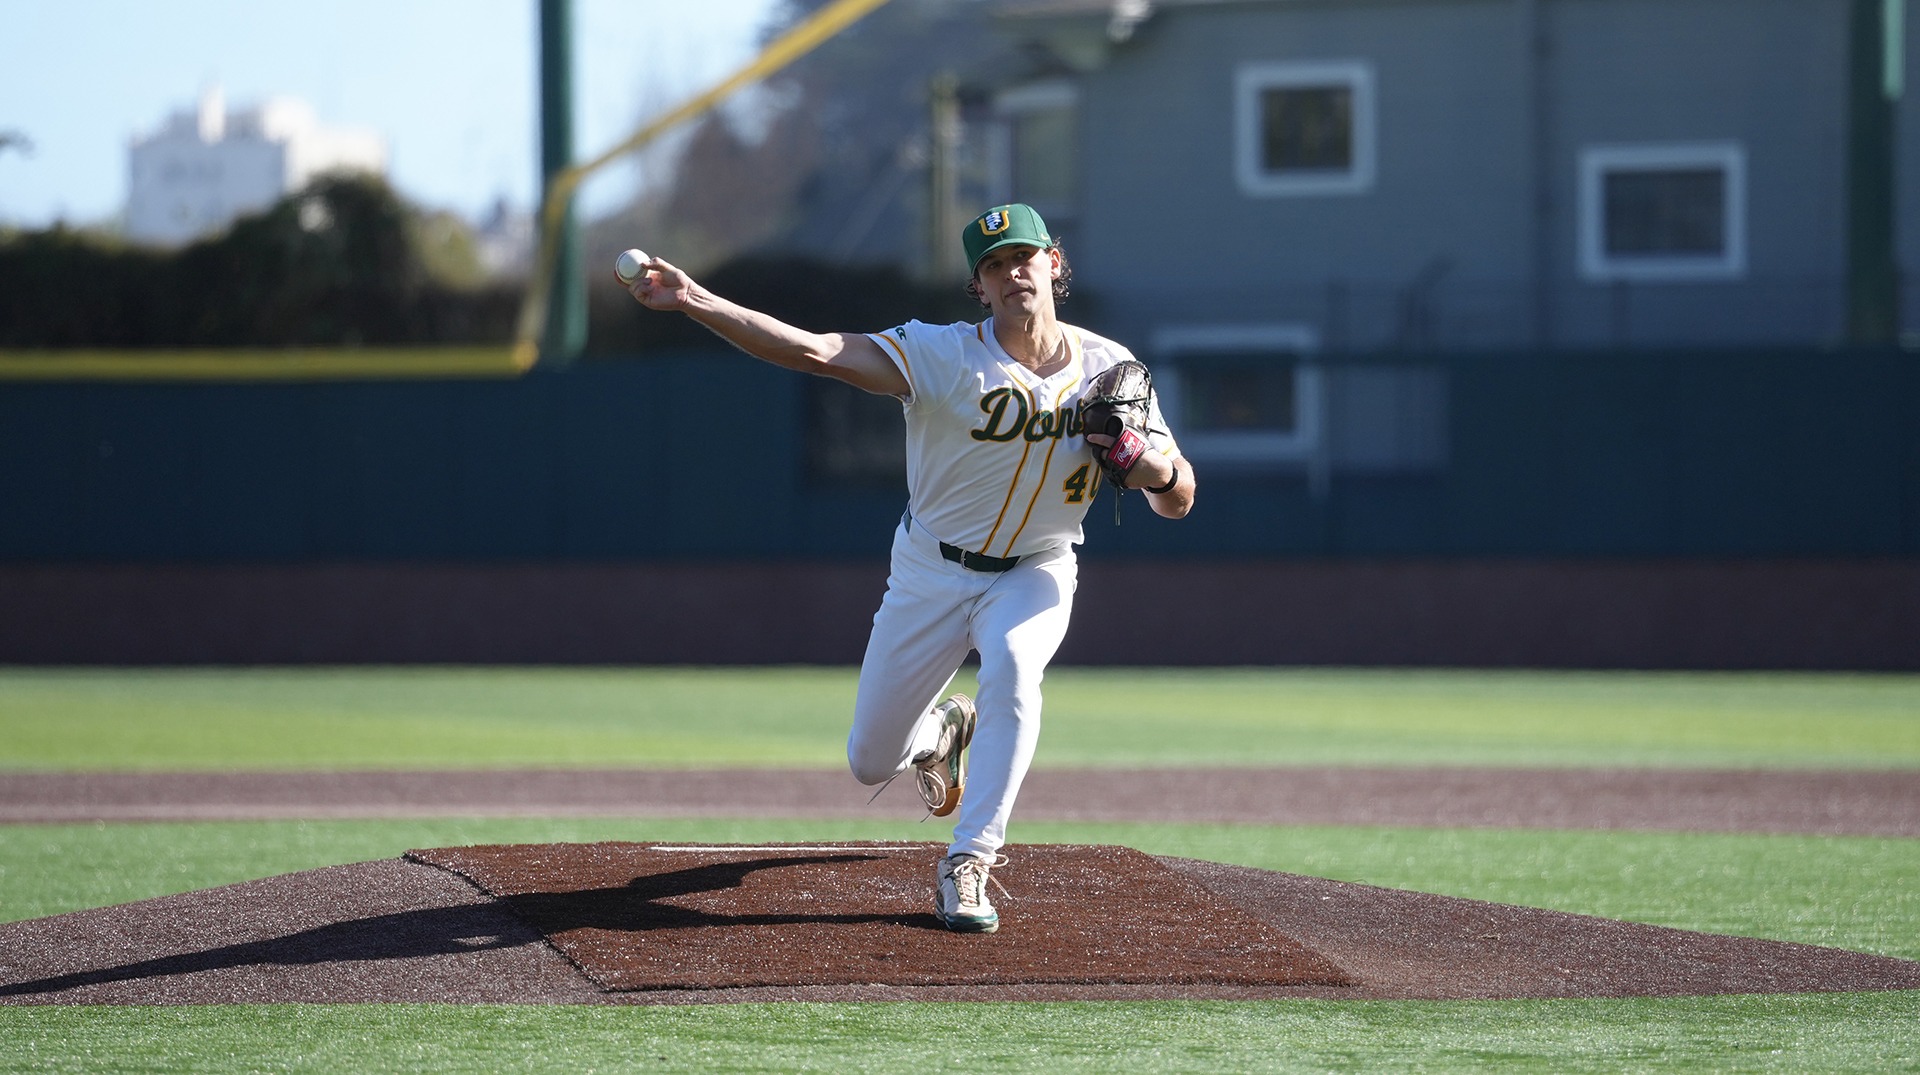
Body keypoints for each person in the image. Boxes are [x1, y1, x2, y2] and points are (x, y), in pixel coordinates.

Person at [621, 203, 1195, 932]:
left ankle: (971, 859)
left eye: (1024, 255)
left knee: (1015, 667)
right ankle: (940, 736)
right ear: (978, 287)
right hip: (931, 569)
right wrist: (697, 299)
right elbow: (818, 351)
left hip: (1037, 569)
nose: (1011, 270)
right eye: (992, 264)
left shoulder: (1108, 368)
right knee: (870, 758)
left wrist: (1143, 464)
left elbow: (1179, 497)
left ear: (1055, 263)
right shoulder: (942, 354)